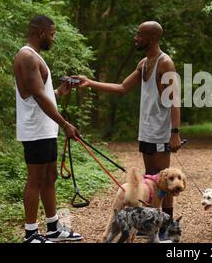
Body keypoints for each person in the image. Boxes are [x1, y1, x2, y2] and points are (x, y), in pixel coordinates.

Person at [74, 21, 182, 240]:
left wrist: (175, 132)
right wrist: (89, 82)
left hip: (162, 132)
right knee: (152, 183)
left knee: (166, 186)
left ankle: (167, 228)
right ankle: (150, 224)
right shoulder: (143, 63)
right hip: (146, 132)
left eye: (139, 35)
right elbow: (122, 88)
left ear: (152, 38)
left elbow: (175, 100)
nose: (136, 38)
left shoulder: (165, 63)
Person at [13, 15, 83, 243]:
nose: (53, 39)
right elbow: (37, 96)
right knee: (35, 180)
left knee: (50, 177)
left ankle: (53, 227)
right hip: (35, 130)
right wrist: (65, 124)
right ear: (42, 33)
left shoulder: (35, 57)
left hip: (46, 128)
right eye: (52, 35)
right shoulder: (27, 56)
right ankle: (31, 234)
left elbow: (43, 94)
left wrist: (61, 91)